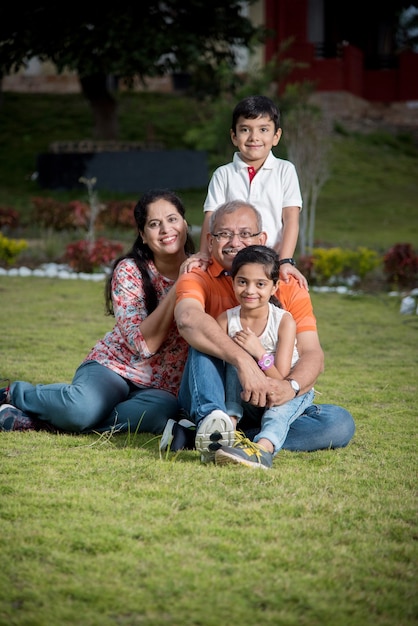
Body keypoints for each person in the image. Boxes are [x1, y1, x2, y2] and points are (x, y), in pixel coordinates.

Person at [0, 189, 196, 438]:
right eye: (154, 224)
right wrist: (180, 284)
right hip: (114, 367)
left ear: (185, 224)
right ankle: (13, 394)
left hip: (159, 388)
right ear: (143, 235)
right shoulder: (130, 271)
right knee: (82, 408)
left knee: (160, 413)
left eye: (172, 219)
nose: (166, 229)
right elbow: (144, 345)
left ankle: (41, 423)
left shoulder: (201, 273)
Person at [174, 199, 355, 468]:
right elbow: (189, 320)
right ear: (210, 241)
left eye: (245, 234)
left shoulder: (284, 284)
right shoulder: (197, 273)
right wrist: (243, 360)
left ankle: (211, 438)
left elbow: (312, 354)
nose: (235, 242)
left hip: (271, 396)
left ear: (262, 238)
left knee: (338, 423)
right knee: (204, 336)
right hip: (222, 394)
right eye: (225, 234)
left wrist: (289, 388)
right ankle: (214, 420)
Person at [215, 245, 315, 469]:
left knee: (278, 413)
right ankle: (228, 427)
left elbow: (280, 379)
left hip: (283, 393)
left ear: (274, 287)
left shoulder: (283, 321)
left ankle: (262, 450)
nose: (250, 290)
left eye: (260, 284)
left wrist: (258, 351)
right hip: (247, 398)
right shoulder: (226, 320)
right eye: (242, 282)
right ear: (232, 282)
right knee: (234, 362)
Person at [198, 94, 307, 289]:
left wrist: (285, 261)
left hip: (270, 262)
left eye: (263, 130)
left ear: (276, 136)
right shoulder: (223, 174)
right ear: (234, 136)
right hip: (231, 262)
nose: (254, 137)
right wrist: (204, 254)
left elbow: (291, 219)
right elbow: (211, 218)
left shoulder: (285, 170)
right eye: (245, 130)